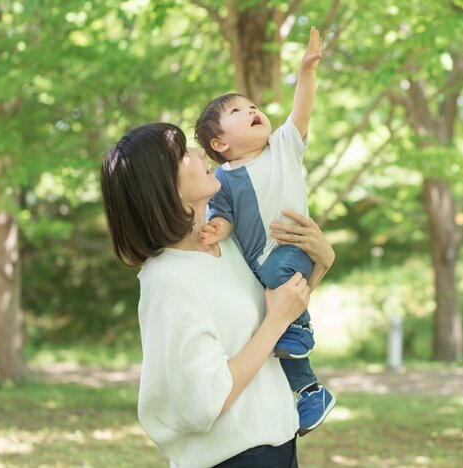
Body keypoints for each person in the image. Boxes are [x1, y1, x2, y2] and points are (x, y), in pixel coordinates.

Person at [100, 122, 334, 467]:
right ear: (161, 188)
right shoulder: (168, 279)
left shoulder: (229, 244)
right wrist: (276, 321)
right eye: (183, 155)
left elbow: (281, 316)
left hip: (282, 447)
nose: (199, 152)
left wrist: (321, 265)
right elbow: (203, 400)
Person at [194, 26, 335, 435]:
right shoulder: (222, 177)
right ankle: (310, 393)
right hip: (261, 265)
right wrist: (216, 230)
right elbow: (222, 218)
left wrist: (306, 71)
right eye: (238, 111)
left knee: (283, 310)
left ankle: (299, 327)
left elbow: (302, 110)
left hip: (291, 247)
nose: (253, 110)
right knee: (273, 339)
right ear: (220, 143)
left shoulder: (283, 147)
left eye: (252, 106)